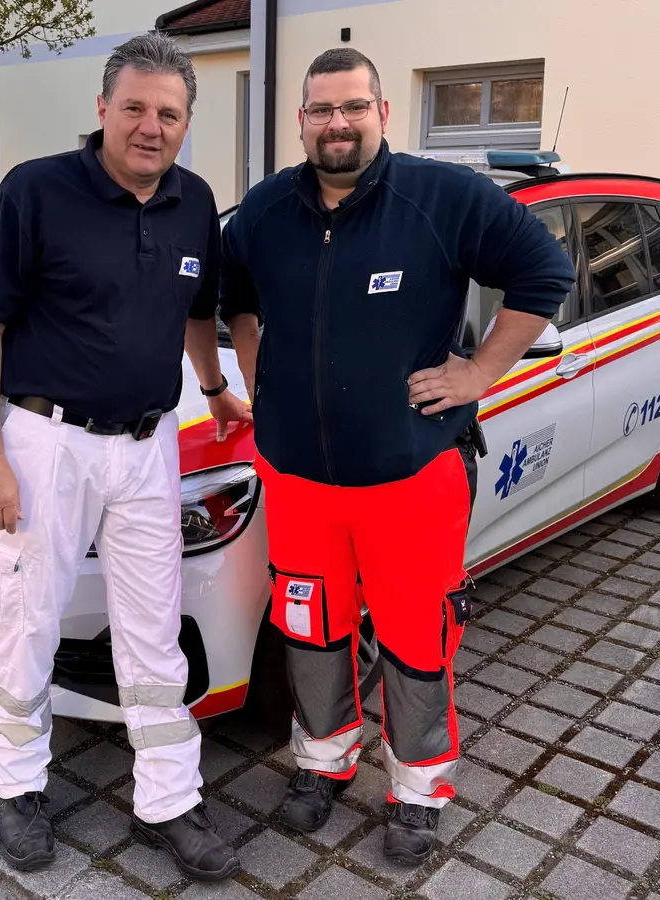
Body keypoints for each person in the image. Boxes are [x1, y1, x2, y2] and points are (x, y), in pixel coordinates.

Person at [217, 47, 574, 866]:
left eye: (353, 107)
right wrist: (252, 370)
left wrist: (480, 369)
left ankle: (418, 789)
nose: (337, 123)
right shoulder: (268, 209)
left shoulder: (442, 198)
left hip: (409, 478)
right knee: (309, 626)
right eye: (321, 110)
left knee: (417, 636)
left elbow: (543, 273)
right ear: (301, 120)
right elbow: (231, 295)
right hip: (297, 476)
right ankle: (322, 761)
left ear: (383, 111)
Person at [0, 31, 251, 881]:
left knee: (154, 633)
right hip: (47, 443)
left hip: (148, 447)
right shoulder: (37, 191)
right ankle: (18, 788)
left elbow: (199, 308)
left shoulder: (195, 202)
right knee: (27, 620)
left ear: (186, 121)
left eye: (168, 113)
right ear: (102, 109)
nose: (150, 127)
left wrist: (214, 384)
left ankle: (168, 800)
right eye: (135, 108)